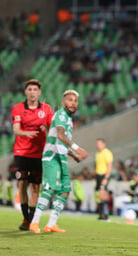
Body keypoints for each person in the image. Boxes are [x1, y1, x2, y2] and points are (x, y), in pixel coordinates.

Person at [29, 90, 88, 233]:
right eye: (70, 100)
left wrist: (74, 156)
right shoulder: (61, 115)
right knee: (50, 188)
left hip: (61, 156)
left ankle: (51, 224)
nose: (73, 103)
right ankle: (34, 222)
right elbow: (61, 136)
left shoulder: (68, 118)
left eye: (75, 101)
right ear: (63, 102)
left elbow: (60, 141)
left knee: (65, 191)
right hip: (52, 157)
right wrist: (77, 148)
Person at [11, 79, 53, 230]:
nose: (32, 92)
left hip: (39, 154)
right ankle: (25, 219)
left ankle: (32, 220)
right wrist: (27, 133)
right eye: (30, 89)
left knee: (35, 188)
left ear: (39, 92)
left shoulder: (47, 109)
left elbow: (53, 131)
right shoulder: (18, 108)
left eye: (35, 89)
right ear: (25, 92)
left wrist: (45, 130)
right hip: (21, 152)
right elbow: (16, 130)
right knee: (22, 184)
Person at [95, 138, 114, 221]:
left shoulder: (107, 152)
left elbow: (109, 166)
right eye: (97, 144)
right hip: (98, 175)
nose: (98, 145)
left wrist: (106, 178)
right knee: (99, 195)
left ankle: (105, 214)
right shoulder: (97, 153)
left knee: (103, 194)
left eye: (99, 144)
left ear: (104, 144)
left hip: (104, 175)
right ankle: (101, 213)